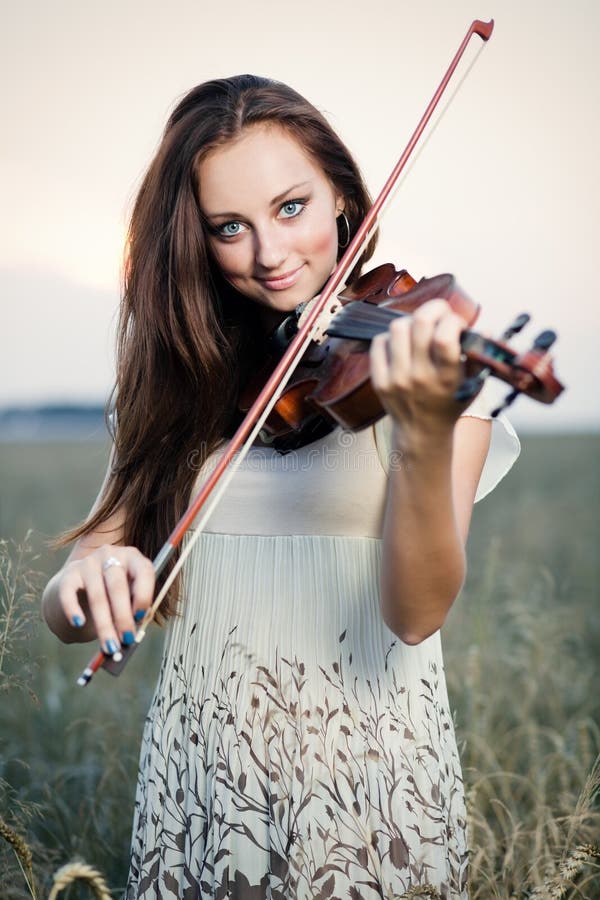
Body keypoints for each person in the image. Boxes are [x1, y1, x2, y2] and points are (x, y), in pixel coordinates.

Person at [42, 74, 519, 898]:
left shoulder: (425, 360)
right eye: (231, 227)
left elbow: (417, 615)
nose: (269, 254)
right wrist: (85, 581)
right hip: (207, 790)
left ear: (341, 193)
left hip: (369, 792)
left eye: (291, 207)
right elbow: (77, 592)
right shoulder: (179, 380)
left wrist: (421, 437)